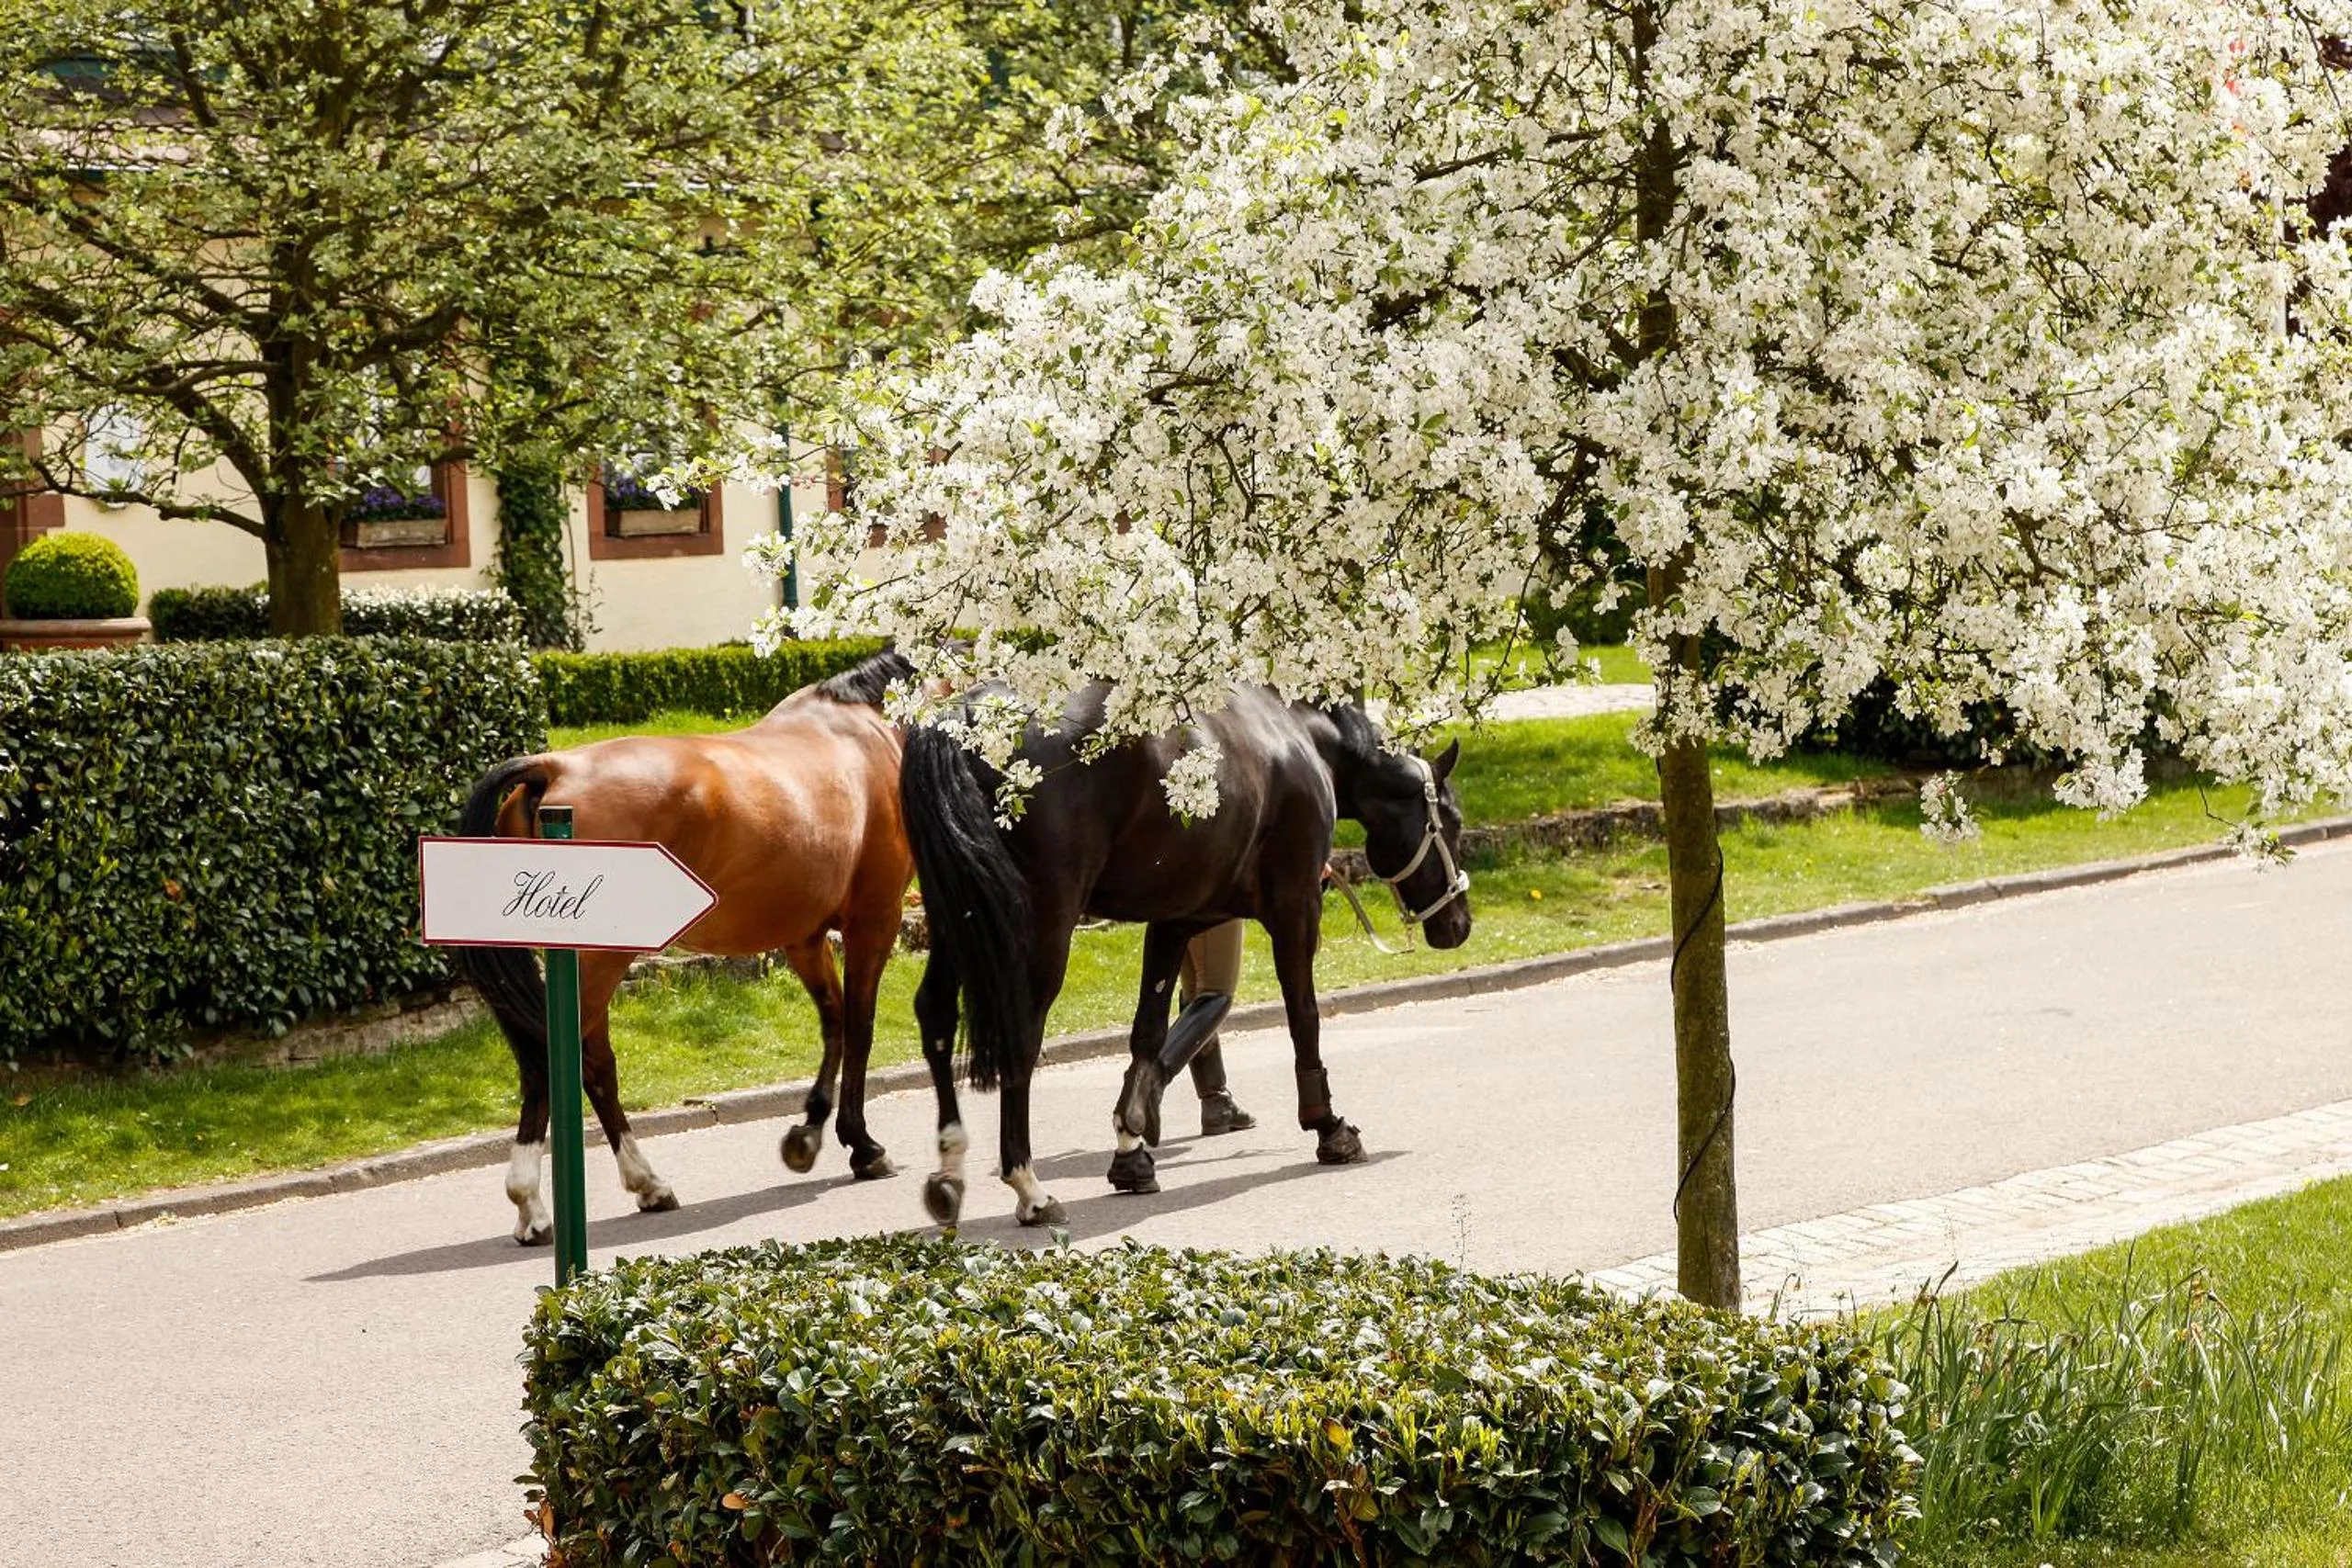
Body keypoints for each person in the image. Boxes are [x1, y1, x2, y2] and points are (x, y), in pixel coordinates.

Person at [1178, 920, 1256, 1135]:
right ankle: (1146, 1085)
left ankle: (1215, 1099)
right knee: (1216, 993)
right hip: (1213, 898)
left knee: (1195, 994)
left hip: (1173, 899)